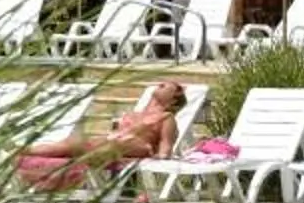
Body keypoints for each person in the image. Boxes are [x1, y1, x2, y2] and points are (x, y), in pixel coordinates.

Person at [13, 78, 187, 189]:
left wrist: (162, 156)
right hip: (111, 143)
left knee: (87, 146)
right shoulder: (136, 114)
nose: (160, 84)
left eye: (166, 86)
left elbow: (166, 143)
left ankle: (31, 158)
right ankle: (21, 151)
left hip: (137, 147)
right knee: (71, 144)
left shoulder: (166, 117)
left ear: (173, 100)